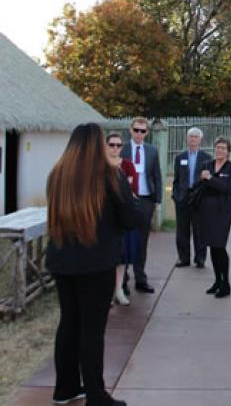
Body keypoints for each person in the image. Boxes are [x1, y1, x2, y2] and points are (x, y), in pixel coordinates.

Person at [46, 123, 138, 406]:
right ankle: (96, 395)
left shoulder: (57, 175)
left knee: (69, 324)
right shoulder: (110, 176)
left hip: (62, 261)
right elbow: (130, 220)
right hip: (95, 263)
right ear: (97, 146)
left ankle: (66, 388)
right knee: (92, 329)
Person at [121, 117, 162, 295]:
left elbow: (157, 176)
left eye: (143, 131)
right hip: (126, 199)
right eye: (136, 130)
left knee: (142, 240)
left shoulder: (152, 151)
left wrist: (157, 200)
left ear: (147, 133)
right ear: (130, 130)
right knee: (124, 239)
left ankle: (140, 278)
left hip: (146, 199)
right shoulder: (122, 149)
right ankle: (122, 280)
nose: (139, 134)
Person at [198, 136, 231, 298]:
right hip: (206, 211)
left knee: (220, 246)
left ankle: (226, 284)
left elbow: (228, 188)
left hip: (223, 212)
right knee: (212, 247)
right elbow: (198, 185)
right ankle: (217, 281)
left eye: (223, 148)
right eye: (217, 147)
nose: (219, 150)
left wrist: (210, 179)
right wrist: (202, 179)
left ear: (228, 152)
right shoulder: (206, 165)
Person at [106, 132, 139, 306]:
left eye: (119, 145)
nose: (115, 148)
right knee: (108, 257)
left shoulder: (127, 165)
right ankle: (107, 291)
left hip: (123, 216)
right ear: (105, 146)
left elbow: (133, 188)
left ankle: (119, 289)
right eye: (112, 144)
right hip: (107, 219)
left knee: (123, 256)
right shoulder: (100, 166)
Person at [172, 127, 212, 268]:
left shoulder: (207, 158)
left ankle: (200, 258)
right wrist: (176, 195)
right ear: (187, 139)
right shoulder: (180, 158)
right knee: (182, 230)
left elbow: (209, 180)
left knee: (199, 229)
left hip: (199, 197)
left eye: (196, 136)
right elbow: (176, 179)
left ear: (200, 140)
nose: (193, 139)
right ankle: (184, 258)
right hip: (182, 197)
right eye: (190, 136)